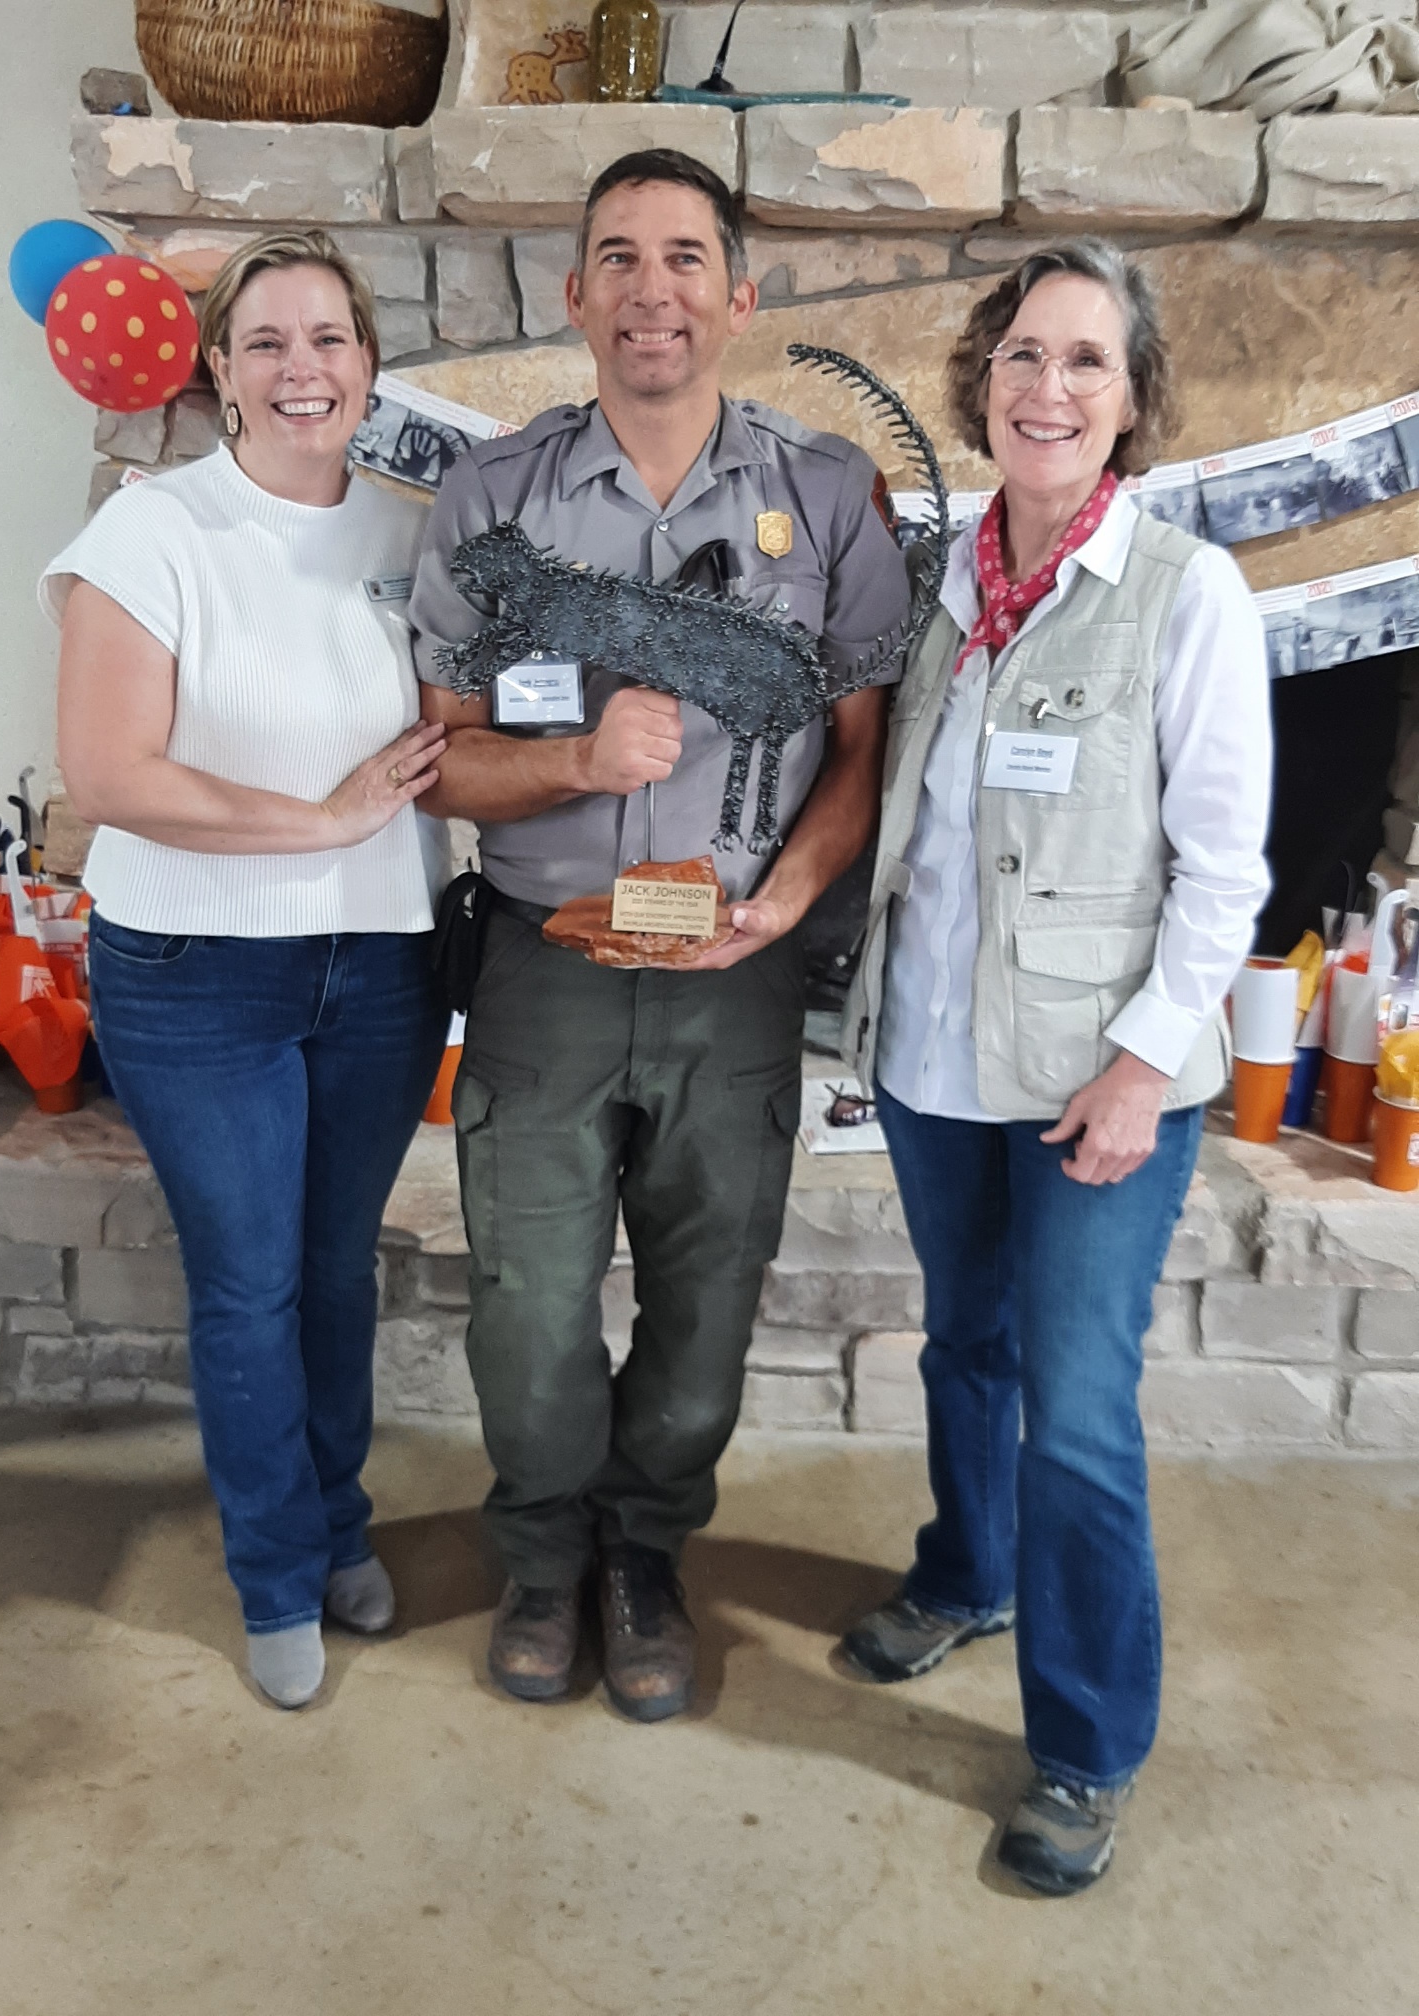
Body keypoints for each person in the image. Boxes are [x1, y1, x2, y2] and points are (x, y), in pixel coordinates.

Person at [409, 150, 910, 1720]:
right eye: (617, 256)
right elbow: (448, 754)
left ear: (739, 296)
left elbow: (858, 754)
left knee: (708, 1299)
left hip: (733, 979)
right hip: (544, 960)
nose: (652, 288)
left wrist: (782, 905)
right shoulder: (492, 499)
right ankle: (543, 1555)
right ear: (574, 297)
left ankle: (646, 1555)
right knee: (529, 1302)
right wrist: (568, 759)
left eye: (686, 256)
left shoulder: (825, 497)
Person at [838, 240, 1271, 1894]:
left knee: (1079, 1410)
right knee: (969, 1341)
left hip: (1102, 1079)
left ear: (1134, 401)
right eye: (1025, 355)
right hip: (941, 1060)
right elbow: (919, 835)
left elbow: (1226, 867)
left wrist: (1148, 1067)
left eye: (1088, 362)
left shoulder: (1186, 592)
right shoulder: (946, 588)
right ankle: (969, 1571)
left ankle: (1084, 1751)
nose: (1050, 388)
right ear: (985, 380)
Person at [44, 230, 449, 1710]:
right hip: (199, 972)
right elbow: (108, 770)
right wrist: (321, 818)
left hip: (383, 967)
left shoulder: (415, 535)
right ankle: (277, 1570)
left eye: (329, 340)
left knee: (335, 1273)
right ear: (219, 370)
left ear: (368, 364)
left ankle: (336, 1525)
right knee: (248, 1284)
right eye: (268, 342)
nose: (302, 370)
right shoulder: (150, 534)